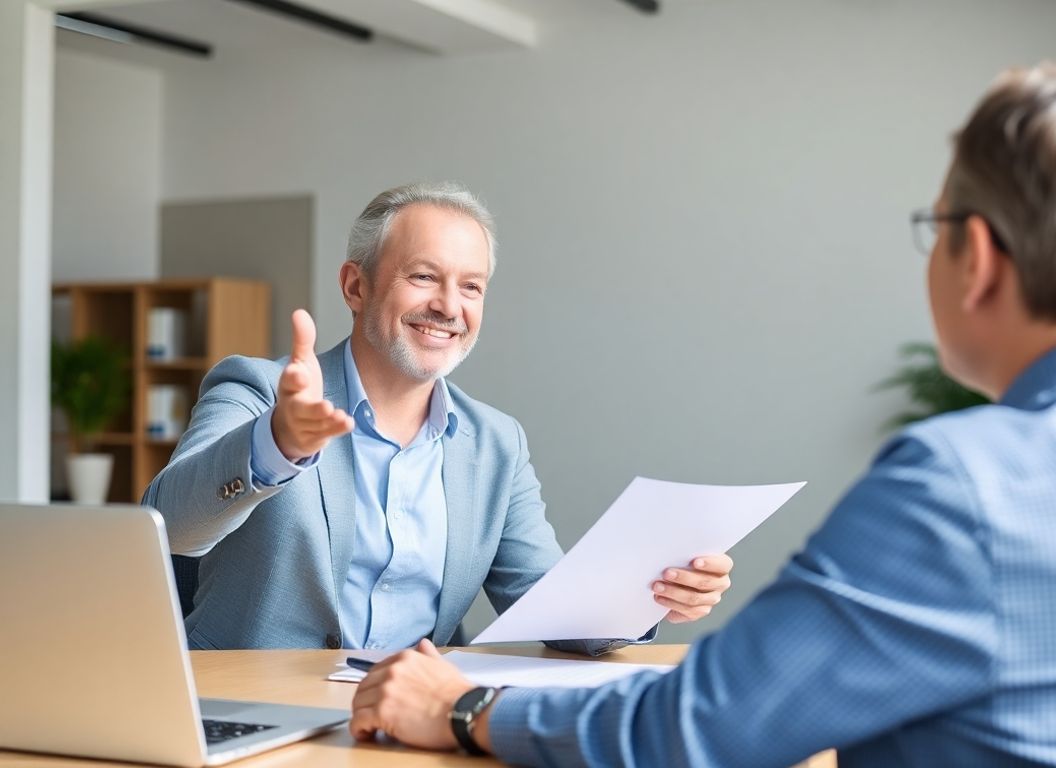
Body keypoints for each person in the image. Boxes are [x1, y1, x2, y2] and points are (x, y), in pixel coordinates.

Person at [348, 60, 1056, 767]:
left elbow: (693, 734)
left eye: (934, 228)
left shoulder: (965, 487)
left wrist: (467, 708)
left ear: (977, 257)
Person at [142, 182, 734, 654]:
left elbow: (545, 599)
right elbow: (171, 524)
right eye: (423, 276)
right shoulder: (257, 389)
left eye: (471, 286)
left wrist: (650, 597)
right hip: (255, 713)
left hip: (413, 718)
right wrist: (276, 445)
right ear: (355, 285)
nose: (449, 307)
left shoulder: (497, 443)